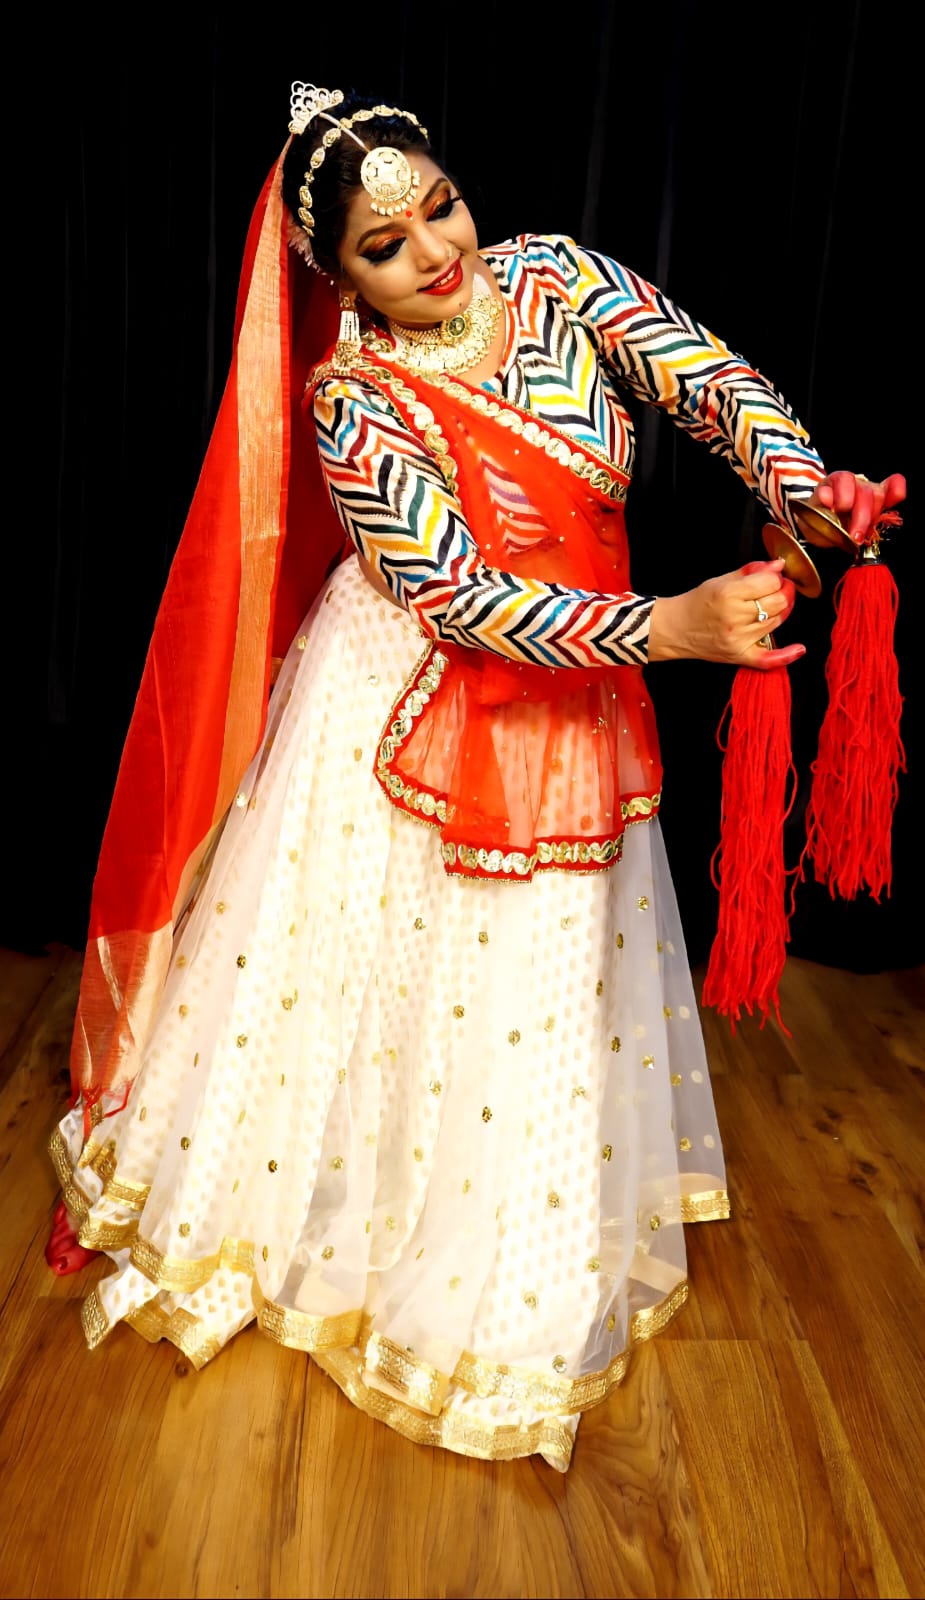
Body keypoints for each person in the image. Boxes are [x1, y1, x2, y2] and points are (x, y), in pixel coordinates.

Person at [45, 81, 904, 1470]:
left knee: (537, 984)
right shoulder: (355, 398)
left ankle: (526, 1235)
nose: (436, 252)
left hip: (584, 671)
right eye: (386, 248)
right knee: (378, 983)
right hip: (415, 696)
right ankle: (404, 1241)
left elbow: (715, 388)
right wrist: (672, 630)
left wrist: (807, 493)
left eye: (439, 207)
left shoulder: (559, 280)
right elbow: (454, 596)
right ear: (338, 276)